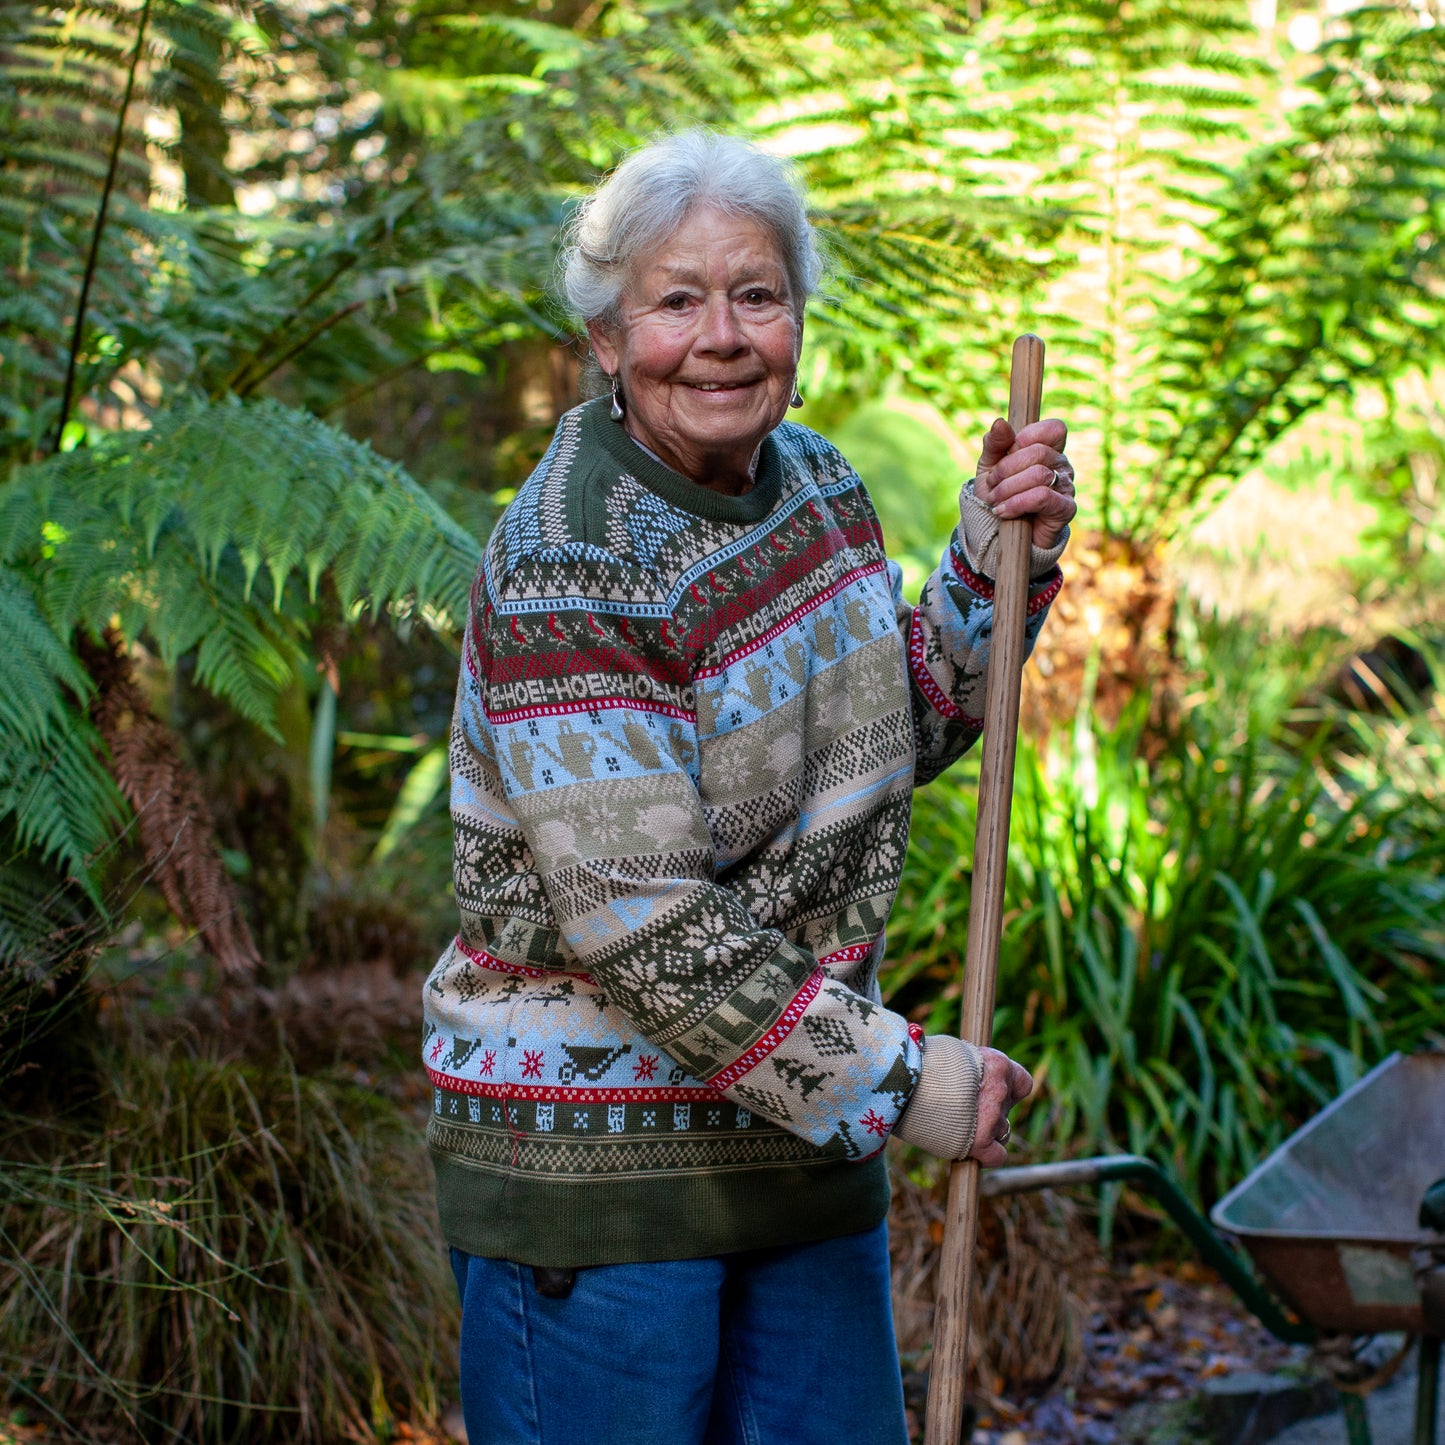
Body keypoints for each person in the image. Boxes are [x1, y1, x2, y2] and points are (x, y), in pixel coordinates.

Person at [422, 130, 1077, 1445]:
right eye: (676, 300)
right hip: (602, 1197)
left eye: (756, 294)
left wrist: (988, 566)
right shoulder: (568, 558)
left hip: (795, 1160)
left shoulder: (818, 485)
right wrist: (904, 1082)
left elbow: (883, 736)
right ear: (607, 338)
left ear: (796, 317)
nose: (720, 336)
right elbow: (643, 924)